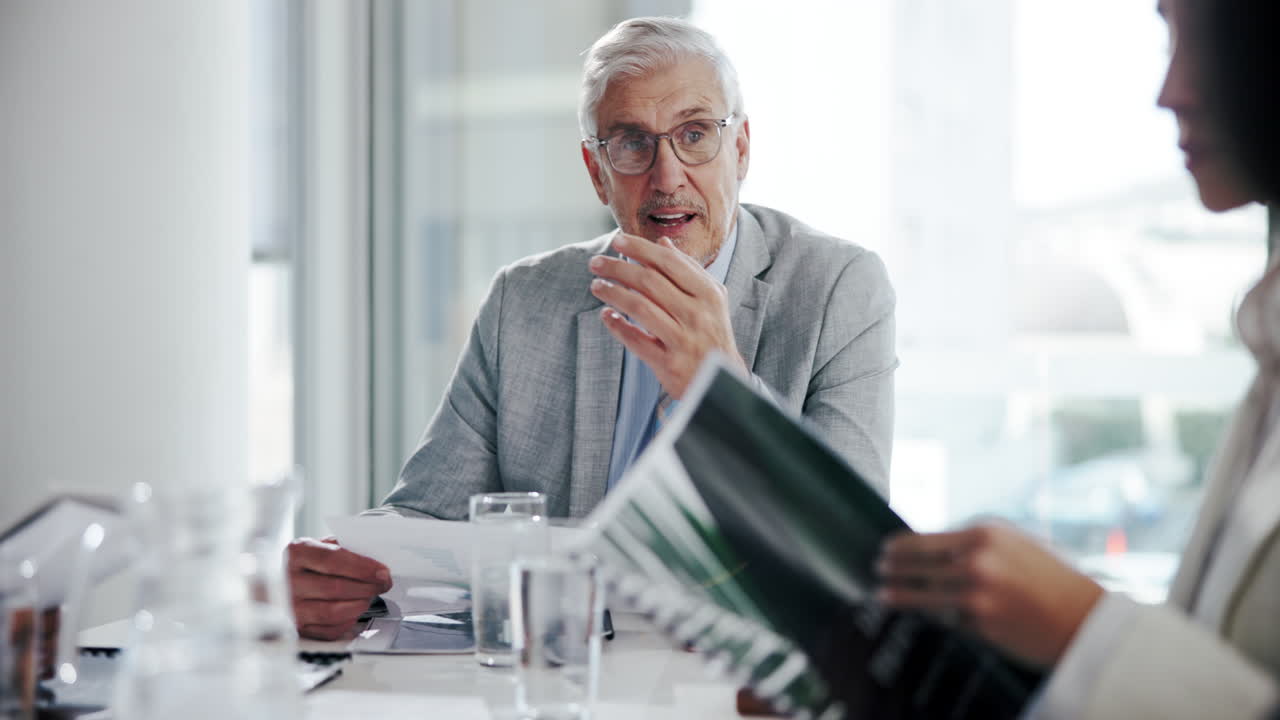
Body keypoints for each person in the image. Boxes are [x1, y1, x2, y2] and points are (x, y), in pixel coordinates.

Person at [288, 16, 898, 640]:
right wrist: (338, 574)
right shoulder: (522, 301)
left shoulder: (838, 289)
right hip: (562, 680)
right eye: (632, 143)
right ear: (595, 168)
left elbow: (859, 560)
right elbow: (423, 519)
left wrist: (723, 393)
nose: (667, 176)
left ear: (740, 148)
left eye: (695, 134)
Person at [877, 0, 1280, 717]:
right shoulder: (1267, 343)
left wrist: (1085, 630)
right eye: (1169, 36)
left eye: (1208, 44)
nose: (1171, 92)